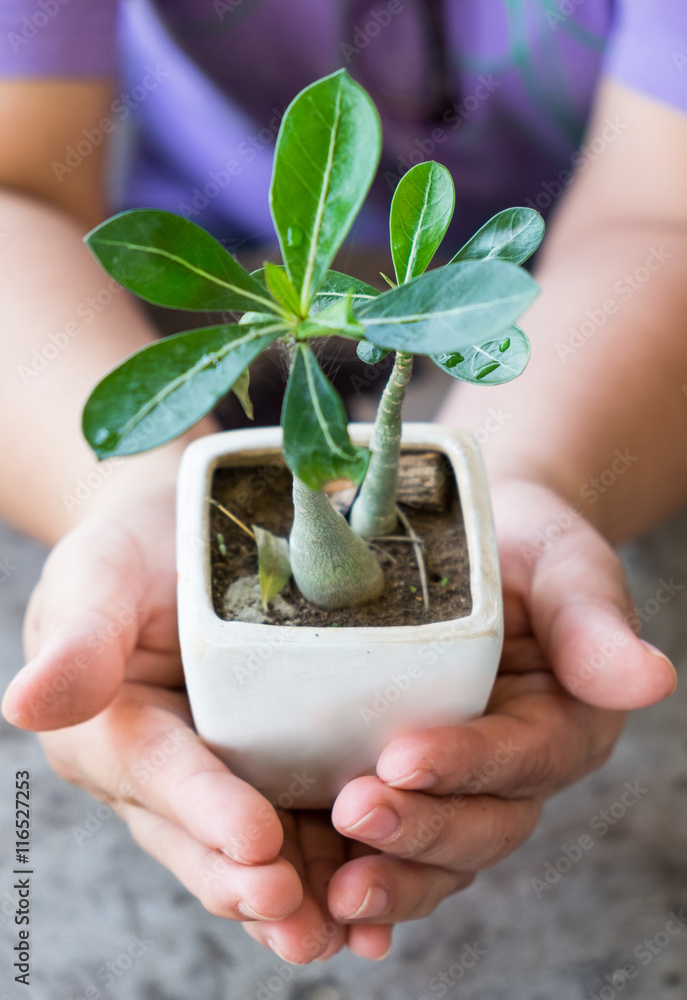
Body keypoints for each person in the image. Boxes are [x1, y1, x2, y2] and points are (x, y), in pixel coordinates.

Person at [0, 0, 685, 966]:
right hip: (191, 302)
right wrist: (123, 495)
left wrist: (528, 479)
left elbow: (666, 213)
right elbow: (10, 187)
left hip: (551, 328)